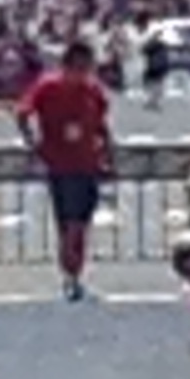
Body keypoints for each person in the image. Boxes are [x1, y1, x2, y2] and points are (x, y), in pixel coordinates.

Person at [18, 37, 116, 301]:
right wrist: (32, 142)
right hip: (60, 164)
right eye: (79, 68)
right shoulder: (48, 87)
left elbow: (101, 125)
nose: (83, 74)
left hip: (88, 164)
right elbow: (24, 111)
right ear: (67, 66)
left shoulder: (92, 90)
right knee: (69, 224)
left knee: (80, 225)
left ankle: (74, 274)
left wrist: (108, 154)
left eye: (87, 68)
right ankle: (70, 275)